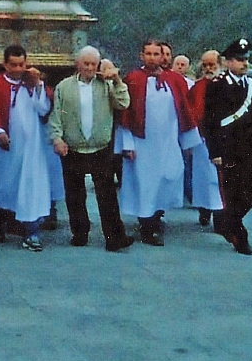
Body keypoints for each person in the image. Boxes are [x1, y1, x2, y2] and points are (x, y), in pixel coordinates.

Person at [115, 39, 202, 246]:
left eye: (157, 54)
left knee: (166, 179)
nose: (153, 58)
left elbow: (185, 112)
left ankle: (156, 217)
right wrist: (127, 144)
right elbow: (125, 114)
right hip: (142, 143)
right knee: (144, 184)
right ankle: (147, 226)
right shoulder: (133, 79)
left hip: (168, 141)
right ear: (142, 56)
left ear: (163, 56)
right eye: (149, 54)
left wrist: (187, 142)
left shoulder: (174, 79)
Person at [49, 46, 135, 251]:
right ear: (77, 64)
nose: (89, 67)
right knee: (74, 193)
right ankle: (79, 233)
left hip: (101, 147)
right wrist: (57, 138)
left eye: (93, 64)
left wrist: (116, 80)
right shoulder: (64, 86)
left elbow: (123, 103)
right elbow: (56, 116)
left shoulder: (106, 85)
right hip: (73, 147)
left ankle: (115, 237)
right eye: (85, 63)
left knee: (107, 194)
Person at [0, 44, 54, 251]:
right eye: (13, 65)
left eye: (21, 64)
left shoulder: (32, 84)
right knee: (4, 186)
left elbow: (44, 108)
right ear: (5, 64)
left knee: (30, 188)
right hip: (6, 147)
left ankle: (32, 232)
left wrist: (37, 85)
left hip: (31, 150)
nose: (18, 69)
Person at [200, 38, 252, 256]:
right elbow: (210, 122)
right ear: (228, 62)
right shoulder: (217, 86)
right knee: (233, 192)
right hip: (229, 148)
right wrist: (215, 152)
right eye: (240, 60)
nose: (245, 64)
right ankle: (240, 238)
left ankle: (226, 219)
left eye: (246, 59)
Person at [188, 49, 224, 227]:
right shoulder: (197, 87)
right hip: (202, 139)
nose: (208, 68)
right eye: (206, 65)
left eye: (212, 65)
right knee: (204, 179)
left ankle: (220, 218)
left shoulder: (227, 85)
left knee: (221, 181)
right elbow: (191, 110)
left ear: (220, 64)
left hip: (223, 139)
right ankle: (204, 211)